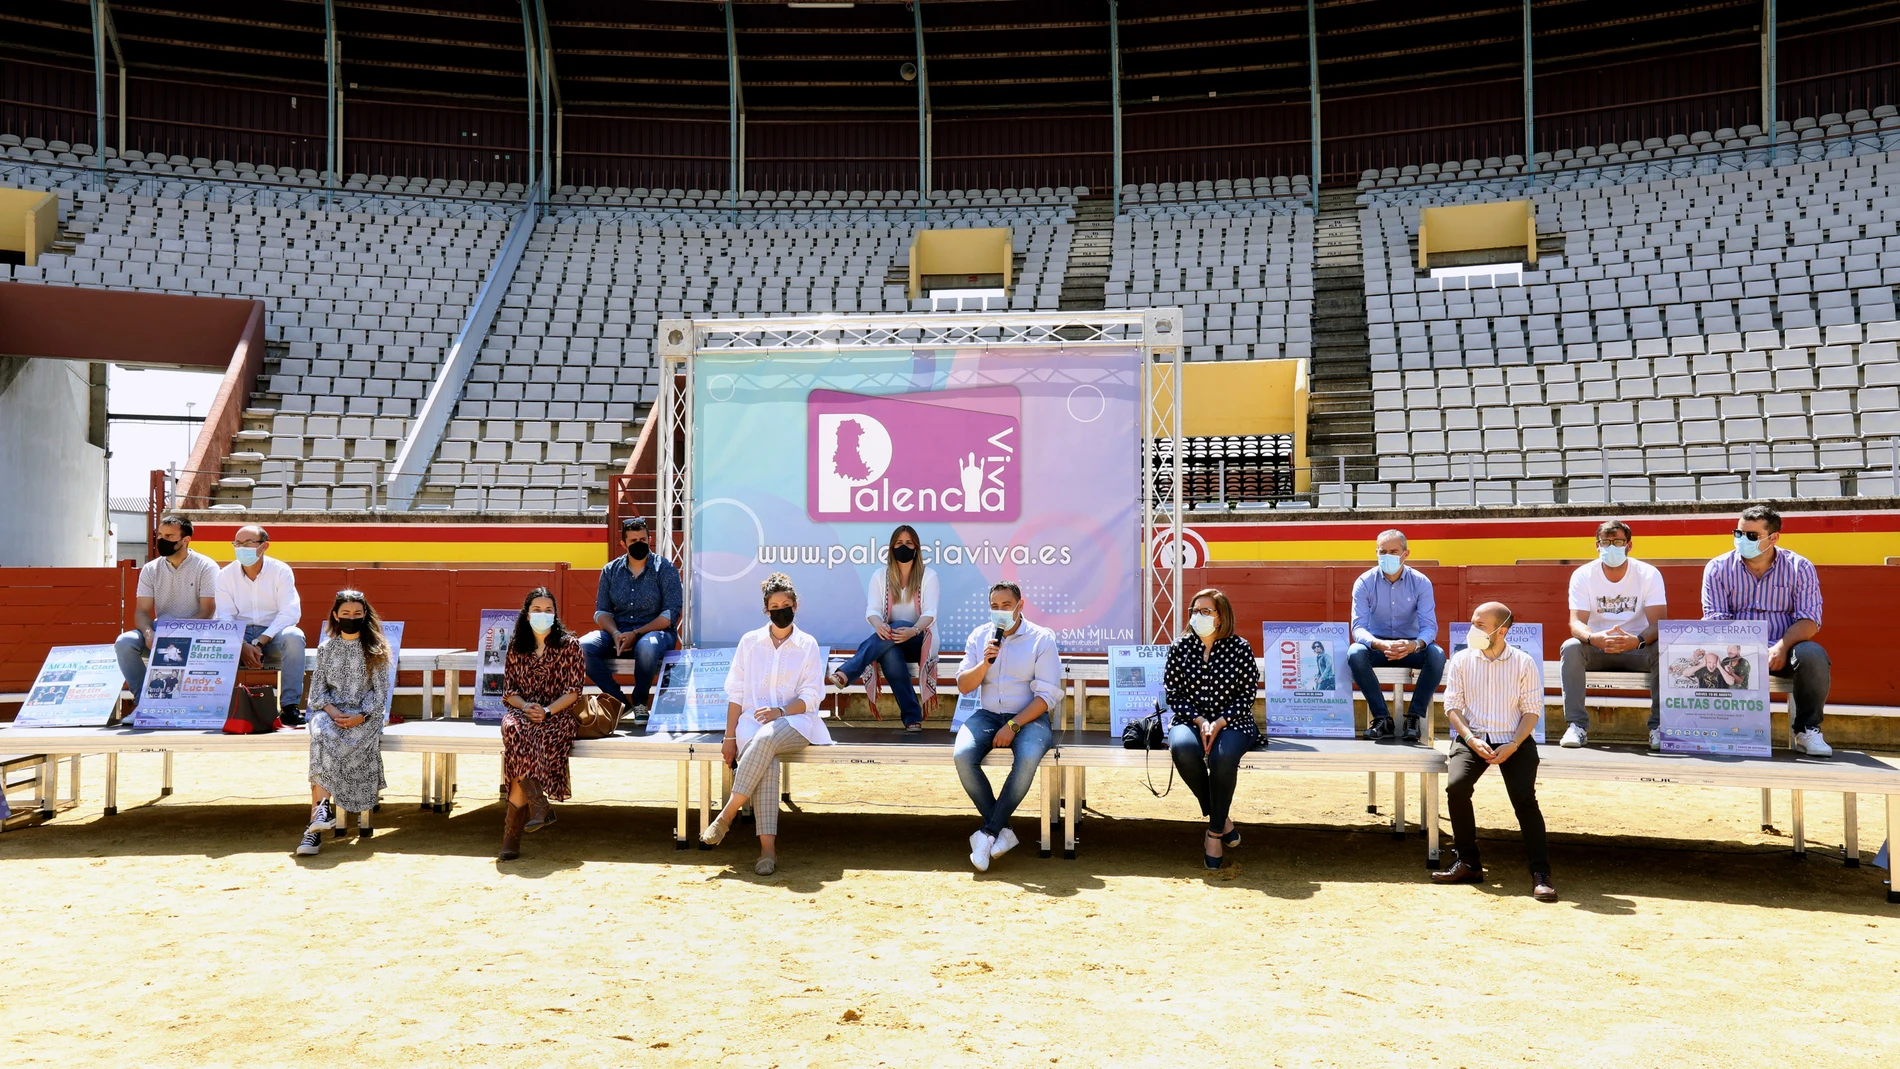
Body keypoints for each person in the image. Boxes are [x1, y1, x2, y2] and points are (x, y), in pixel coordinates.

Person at [700, 572, 830, 875]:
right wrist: (729, 737)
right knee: (766, 758)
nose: (780, 610)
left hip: (796, 722)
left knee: (768, 736)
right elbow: (736, 692)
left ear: (796, 606)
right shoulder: (750, 642)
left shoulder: (807, 644)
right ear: (766, 610)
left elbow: (812, 696)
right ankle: (767, 852)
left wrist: (780, 712)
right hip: (750, 724)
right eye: (774, 605)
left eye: (786, 604)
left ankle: (727, 814)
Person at [1431, 602, 1557, 903]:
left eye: (1481, 625)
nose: (1473, 629)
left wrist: (1513, 744)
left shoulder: (1524, 662)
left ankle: (1541, 873)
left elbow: (1531, 711)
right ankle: (1469, 863)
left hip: (1514, 739)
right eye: (1473, 622)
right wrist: (1471, 738)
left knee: (1524, 799)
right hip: (1472, 738)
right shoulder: (1461, 659)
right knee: (1456, 787)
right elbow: (1452, 707)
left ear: (1502, 631)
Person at [1702, 503, 1832, 757]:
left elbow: (1809, 620)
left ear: (1774, 537)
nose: (1742, 540)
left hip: (1785, 650)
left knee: (1813, 655)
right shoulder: (1717, 568)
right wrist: (1746, 652)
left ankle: (1807, 730)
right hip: (1734, 652)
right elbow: (1716, 620)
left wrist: (1781, 647)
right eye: (1738, 534)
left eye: (1752, 536)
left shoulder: (1799, 567)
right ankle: (1723, 729)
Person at [953, 581, 1062, 872]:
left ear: (1020, 605)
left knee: (1026, 759)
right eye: (994, 606)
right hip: (988, 715)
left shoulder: (1041, 638)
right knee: (962, 755)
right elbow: (964, 685)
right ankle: (1003, 831)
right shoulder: (980, 636)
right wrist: (985, 663)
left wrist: (1013, 725)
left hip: (1029, 717)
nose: (1000, 612)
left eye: (1006, 605)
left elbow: (1046, 696)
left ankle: (988, 833)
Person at [1165, 588, 1263, 870]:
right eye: (1195, 611)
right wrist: (1199, 720)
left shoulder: (1240, 647)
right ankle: (1222, 818)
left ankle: (1214, 833)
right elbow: (1174, 694)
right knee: (1182, 749)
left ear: (1221, 617)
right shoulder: (1180, 647)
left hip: (1234, 722)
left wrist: (1220, 722)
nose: (1198, 616)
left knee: (1222, 758)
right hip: (1190, 720)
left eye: (1205, 611)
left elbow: (1247, 696)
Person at [296, 590, 393, 858]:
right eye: (346, 613)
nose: (352, 618)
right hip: (330, 713)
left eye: (357, 614)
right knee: (322, 736)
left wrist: (360, 716)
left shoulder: (377, 649)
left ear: (365, 616)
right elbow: (318, 692)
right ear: (336, 616)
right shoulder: (326, 648)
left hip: (366, 716)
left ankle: (315, 824)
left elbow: (380, 692)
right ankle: (319, 816)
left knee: (328, 743)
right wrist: (333, 711)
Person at [1559, 520, 1667, 749]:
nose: (1611, 547)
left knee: (1663, 648)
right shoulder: (1583, 575)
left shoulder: (1648, 574)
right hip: (1598, 647)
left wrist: (1636, 641)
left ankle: (1658, 727)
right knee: (1571, 647)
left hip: (1638, 649)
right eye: (1605, 542)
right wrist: (1593, 638)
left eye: (1618, 542)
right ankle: (1576, 726)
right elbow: (1576, 622)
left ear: (1629, 545)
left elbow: (1659, 623)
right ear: (1597, 546)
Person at [497, 587, 587, 861]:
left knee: (527, 743)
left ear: (555, 614)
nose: (543, 614)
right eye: (537, 609)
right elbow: (509, 691)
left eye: (549, 610)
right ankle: (538, 806)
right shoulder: (516, 646)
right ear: (526, 614)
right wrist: (526, 706)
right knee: (515, 731)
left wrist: (547, 711)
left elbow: (574, 691)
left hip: (557, 713)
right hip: (524, 711)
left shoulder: (570, 645)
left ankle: (513, 835)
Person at [828, 525, 940, 731]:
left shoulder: (928, 575)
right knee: (890, 654)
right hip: (888, 641)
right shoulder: (881, 576)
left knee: (896, 626)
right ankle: (912, 718)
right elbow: (872, 610)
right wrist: (878, 624)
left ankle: (849, 670)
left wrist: (913, 630)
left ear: (916, 547)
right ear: (891, 548)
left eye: (908, 543)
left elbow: (930, 614)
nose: (903, 547)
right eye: (899, 543)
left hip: (919, 638)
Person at [114, 515, 218, 723]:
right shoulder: (151, 569)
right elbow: (142, 611)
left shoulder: (206, 566)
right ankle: (143, 702)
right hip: (161, 630)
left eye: (169, 536)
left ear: (186, 540)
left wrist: (176, 632)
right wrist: (148, 632)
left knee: (168, 644)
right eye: (160, 535)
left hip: (197, 631)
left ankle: (164, 705)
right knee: (124, 642)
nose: (162, 540)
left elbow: (207, 612)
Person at [581, 517, 682, 727]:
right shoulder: (610, 570)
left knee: (647, 647)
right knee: (580, 648)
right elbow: (601, 612)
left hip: (656, 633)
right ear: (623, 544)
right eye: (634, 540)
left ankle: (640, 701)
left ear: (650, 539)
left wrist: (636, 633)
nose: (640, 543)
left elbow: (670, 615)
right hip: (618, 632)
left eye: (643, 539)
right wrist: (617, 634)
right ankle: (619, 701)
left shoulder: (664, 568)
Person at [1347, 529, 1444, 743]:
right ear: (1376, 552)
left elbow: (1429, 627)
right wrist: (1378, 644)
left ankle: (1414, 717)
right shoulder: (1364, 582)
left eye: (1393, 551)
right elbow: (1358, 628)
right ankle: (1382, 718)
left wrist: (1414, 645)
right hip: (1378, 646)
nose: (1387, 556)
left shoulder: (1421, 582)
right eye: (1383, 551)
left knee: (1436, 655)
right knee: (1355, 653)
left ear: (1406, 553)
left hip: (1411, 647)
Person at [214, 525, 308, 726]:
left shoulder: (280, 571)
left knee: (294, 636)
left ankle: (289, 707)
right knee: (215, 639)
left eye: (249, 543)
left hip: (273, 634)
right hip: (240, 635)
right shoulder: (225, 575)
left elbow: (290, 613)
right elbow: (225, 618)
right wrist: (242, 645)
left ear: (265, 546)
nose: (242, 548)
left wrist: (259, 641)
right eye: (238, 543)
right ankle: (216, 706)